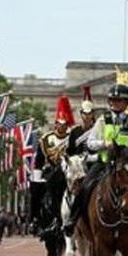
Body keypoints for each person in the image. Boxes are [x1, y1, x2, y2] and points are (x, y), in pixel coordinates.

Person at [64, 74, 128, 240]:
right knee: (85, 187)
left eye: (119, 101)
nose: (115, 103)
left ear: (126, 104)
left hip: (126, 165)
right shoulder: (102, 121)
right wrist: (104, 144)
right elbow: (90, 143)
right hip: (104, 163)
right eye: (113, 100)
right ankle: (73, 219)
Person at [34, 95, 74, 238]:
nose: (61, 127)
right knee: (35, 191)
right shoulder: (46, 139)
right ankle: (36, 219)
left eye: (64, 124)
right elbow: (39, 160)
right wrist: (36, 178)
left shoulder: (72, 138)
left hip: (68, 171)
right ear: (55, 124)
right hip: (50, 171)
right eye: (59, 124)